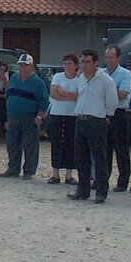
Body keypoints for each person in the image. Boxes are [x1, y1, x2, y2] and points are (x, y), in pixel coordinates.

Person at [68, 49, 118, 203]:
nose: (84, 65)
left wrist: (106, 116)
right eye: (82, 61)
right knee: (80, 157)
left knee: (99, 157)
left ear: (96, 62)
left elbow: (112, 102)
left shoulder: (106, 80)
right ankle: (83, 190)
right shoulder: (81, 78)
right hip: (81, 119)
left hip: (96, 121)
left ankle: (101, 191)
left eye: (87, 61)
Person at [0, 54, 48, 179]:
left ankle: (28, 171)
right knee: (12, 145)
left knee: (30, 146)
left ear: (31, 66)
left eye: (25, 65)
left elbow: (44, 102)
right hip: (13, 117)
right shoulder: (14, 78)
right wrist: (7, 117)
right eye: (21, 65)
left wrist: (39, 117)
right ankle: (13, 169)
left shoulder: (38, 83)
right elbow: (9, 96)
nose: (23, 68)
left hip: (30, 117)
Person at [103, 45, 131, 192]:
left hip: (119, 113)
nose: (109, 60)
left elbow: (122, 94)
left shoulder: (126, 74)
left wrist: (106, 90)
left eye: (111, 57)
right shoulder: (101, 73)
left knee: (121, 149)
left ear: (118, 58)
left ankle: (123, 182)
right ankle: (103, 179)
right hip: (103, 113)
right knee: (104, 149)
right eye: (107, 57)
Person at [47, 53, 80, 185]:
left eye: (70, 63)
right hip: (57, 114)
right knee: (56, 143)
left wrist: (64, 93)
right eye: (65, 63)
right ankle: (55, 173)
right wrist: (68, 97)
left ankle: (69, 174)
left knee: (71, 144)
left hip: (72, 115)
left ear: (75, 65)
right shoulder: (58, 76)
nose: (67, 66)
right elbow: (53, 93)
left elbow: (79, 96)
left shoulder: (79, 79)